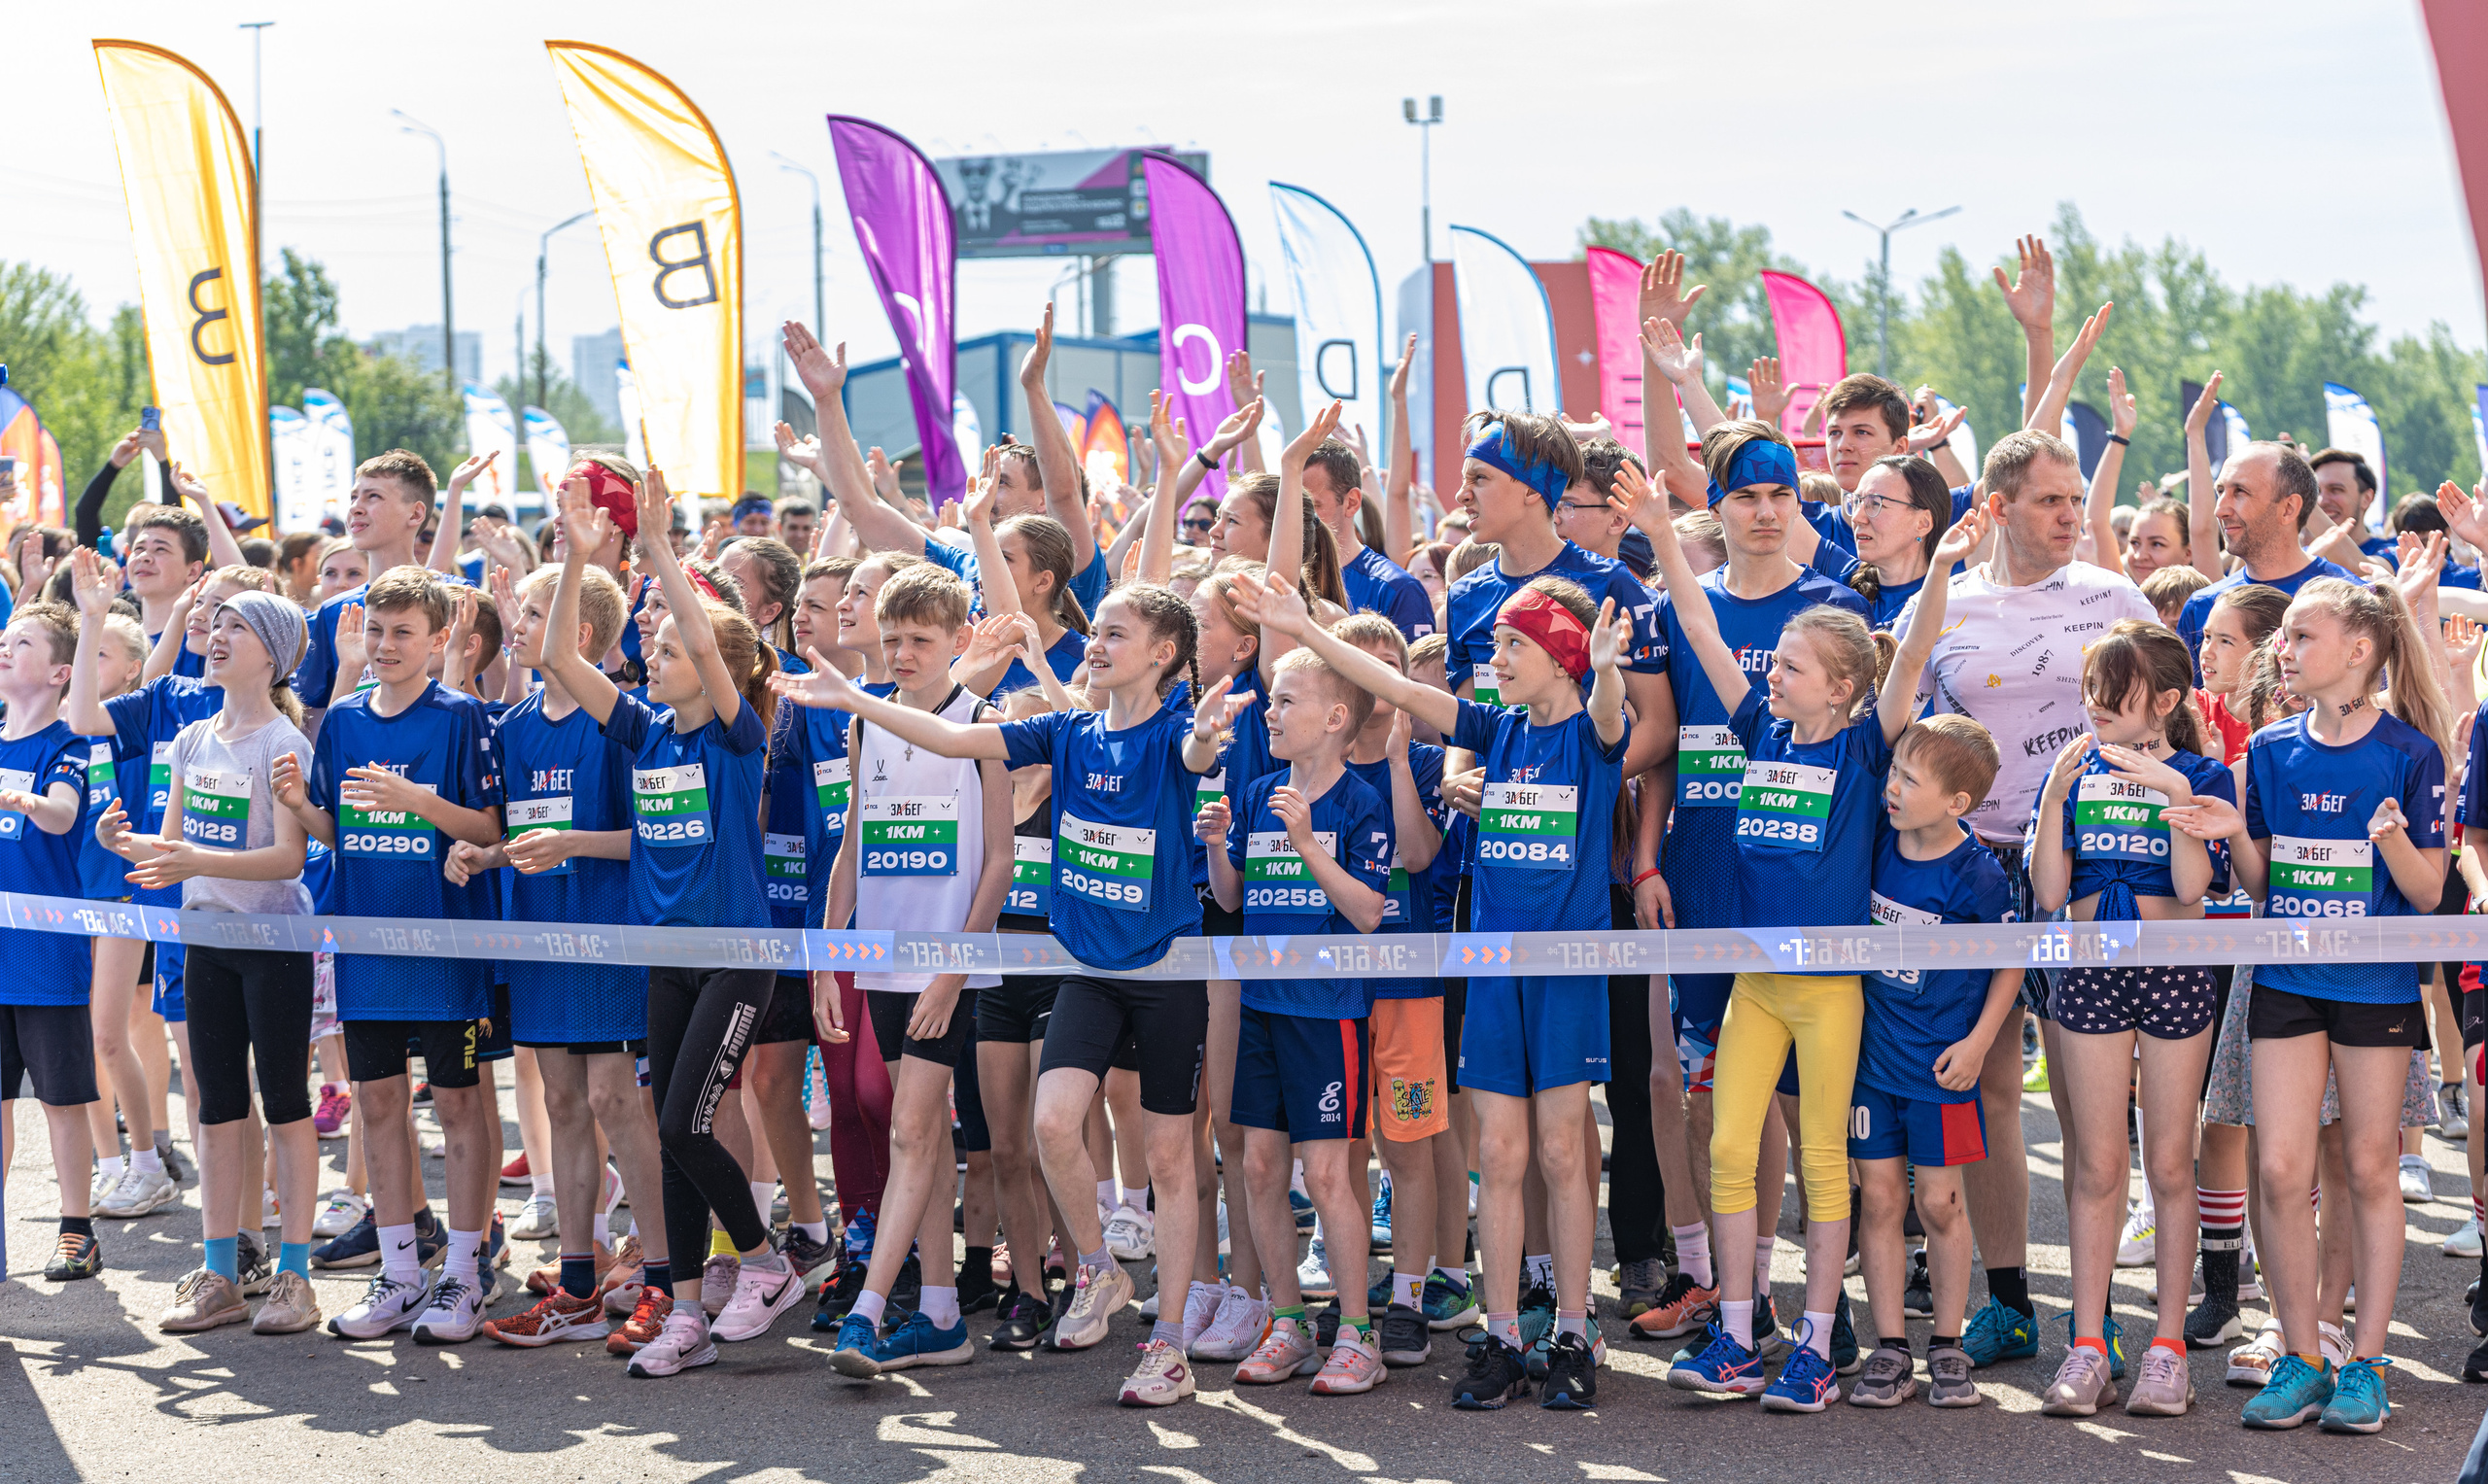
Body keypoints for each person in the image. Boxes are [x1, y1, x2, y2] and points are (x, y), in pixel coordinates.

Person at [773, 578, 1218, 1409]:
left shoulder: (1169, 733)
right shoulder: (1066, 730)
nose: (1097, 641)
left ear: (1162, 655)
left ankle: (1168, 1347)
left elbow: (1194, 756)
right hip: (1087, 967)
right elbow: (949, 737)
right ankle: (1097, 1267)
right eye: (1099, 629)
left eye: (1116, 633)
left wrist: (1203, 740)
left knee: (1167, 1159)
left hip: (1167, 972)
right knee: (1051, 1123)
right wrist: (853, 701)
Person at [1239, 554, 1636, 1412]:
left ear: (1561, 653)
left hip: (1563, 972)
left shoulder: (1591, 725)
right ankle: (1500, 1333)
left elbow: (1608, 716)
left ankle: (1573, 1326)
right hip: (1490, 969)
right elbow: (1405, 693)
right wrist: (1308, 632)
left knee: (1563, 1149)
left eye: (1510, 642)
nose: (1493, 656)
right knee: (1497, 1153)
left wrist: (1605, 670)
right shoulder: (1497, 728)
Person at [1632, 457, 1975, 1414]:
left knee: (1825, 1164)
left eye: (1785, 665)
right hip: (1756, 987)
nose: (1765, 673)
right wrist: (1662, 530)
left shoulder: (1867, 744)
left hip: (1832, 994)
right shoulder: (1760, 731)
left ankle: (1818, 1348)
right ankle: (1740, 1333)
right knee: (1731, 1149)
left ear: (1836, 689)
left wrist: (1942, 566)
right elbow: (1698, 624)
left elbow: (1908, 658)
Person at [1896, 429, 2157, 1368]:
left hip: (2093, 866)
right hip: (1974, 867)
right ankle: (2009, 1299)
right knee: (1994, 1088)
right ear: (1998, 507)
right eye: (2050, 498)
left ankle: (2104, 1313)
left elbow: (2176, 720)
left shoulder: (2114, 598)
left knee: (2098, 1102)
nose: (2071, 513)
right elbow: (1905, 728)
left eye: (2076, 496)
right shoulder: (1949, 604)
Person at [2171, 576, 2453, 1434]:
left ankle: (2365, 1364)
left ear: (2360, 649)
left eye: (2301, 635)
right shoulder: (2269, 747)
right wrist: (2231, 834)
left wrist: (2394, 840)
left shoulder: (2410, 751)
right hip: (2287, 983)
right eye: (2284, 636)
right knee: (2283, 1171)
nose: (2283, 649)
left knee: (2370, 1168)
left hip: (2374, 986)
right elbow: (2264, 884)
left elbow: (2431, 891)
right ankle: (2300, 1355)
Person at [535, 467, 796, 1377]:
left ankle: (764, 1260)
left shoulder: (735, 735)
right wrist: (575, 557)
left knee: (685, 1122)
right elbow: (562, 662)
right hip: (665, 956)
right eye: (656, 649)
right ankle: (685, 1309)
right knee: (670, 1124)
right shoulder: (647, 733)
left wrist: (655, 548)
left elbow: (701, 636)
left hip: (733, 953)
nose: (658, 655)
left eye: (674, 651)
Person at [277, 567, 506, 1343]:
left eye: (403, 632)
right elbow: (343, 830)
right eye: (376, 630)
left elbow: (488, 829)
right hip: (367, 944)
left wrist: (419, 802)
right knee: (378, 1103)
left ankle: (466, 1274)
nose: (384, 645)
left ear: (440, 639)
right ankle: (401, 1271)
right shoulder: (340, 719)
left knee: (456, 1105)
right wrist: (300, 808)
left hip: (444, 945)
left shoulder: (461, 715)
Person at [466, 557, 674, 1356]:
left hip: (609, 939)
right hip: (540, 938)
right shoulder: (513, 724)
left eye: (525, 615)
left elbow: (656, 838)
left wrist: (576, 841)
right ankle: (580, 1285)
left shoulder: (625, 719)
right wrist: (486, 857)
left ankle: (661, 1278)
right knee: (559, 1106)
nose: (511, 627)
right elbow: (522, 830)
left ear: (576, 635)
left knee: (619, 1105)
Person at [2026, 622, 2235, 1418]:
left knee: (2171, 1162)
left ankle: (2168, 1347)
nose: (2096, 706)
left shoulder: (2202, 772)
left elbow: (2193, 888)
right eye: (2090, 690)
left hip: (2175, 969)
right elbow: (2049, 890)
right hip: (2088, 971)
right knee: (2097, 1164)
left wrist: (2176, 795)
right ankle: (2086, 1345)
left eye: (2114, 692)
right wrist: (2051, 798)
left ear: (2168, 700)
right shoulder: (2073, 770)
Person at [101, 588, 323, 1335]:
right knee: (218, 1108)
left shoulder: (284, 741)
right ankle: (221, 1273)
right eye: (217, 623)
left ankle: (295, 1274)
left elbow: (290, 858)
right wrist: (122, 844)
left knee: (287, 1104)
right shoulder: (193, 738)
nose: (218, 634)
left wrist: (196, 856)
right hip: (206, 942)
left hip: (274, 944)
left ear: (275, 655)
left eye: (239, 627)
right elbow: (172, 848)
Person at [821, 564, 1014, 1375]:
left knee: (909, 1130)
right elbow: (855, 847)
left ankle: (870, 1309)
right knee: (921, 1138)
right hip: (881, 964)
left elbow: (999, 862)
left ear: (960, 641)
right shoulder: (870, 721)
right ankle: (939, 1312)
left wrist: (954, 973)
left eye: (919, 641)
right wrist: (828, 957)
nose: (900, 653)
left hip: (947, 970)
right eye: (891, 638)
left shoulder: (986, 725)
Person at [1200, 646, 1395, 1395]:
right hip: (1260, 1006)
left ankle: (1355, 1332)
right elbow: (1228, 899)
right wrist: (1219, 846)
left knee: (1325, 1174)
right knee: (1255, 1164)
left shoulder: (1358, 801)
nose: (1271, 714)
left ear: (1336, 717)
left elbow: (1371, 912)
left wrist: (1310, 841)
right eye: (1273, 701)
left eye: (1286, 702)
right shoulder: (1254, 794)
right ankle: (1286, 1320)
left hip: (1327, 1012)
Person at [1845, 713, 2021, 1409]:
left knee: (1939, 1201)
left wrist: (1978, 1043)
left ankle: (1947, 1344)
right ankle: (1889, 1347)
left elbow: (2010, 962)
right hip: (1874, 1062)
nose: (1892, 787)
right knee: (1881, 1198)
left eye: (1909, 779)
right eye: (1893, 771)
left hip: (1942, 1066)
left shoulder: (1976, 874)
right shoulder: (1876, 844)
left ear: (1957, 803)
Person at [0, 602, 104, 1282]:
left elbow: (65, 815)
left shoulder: (66, 745)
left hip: (45, 957)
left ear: (61, 670)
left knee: (63, 1100)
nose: (5, 648)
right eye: (5, 638)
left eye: (23, 641)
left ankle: (77, 1227)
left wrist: (30, 803)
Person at [2174, 397, 2356, 671]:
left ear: (2289, 508)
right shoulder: (2203, 607)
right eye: (2220, 492)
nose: (2220, 509)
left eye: (2240, 493)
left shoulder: (2349, 599)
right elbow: (2189, 709)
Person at [1302, 436, 1434, 641]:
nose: (1297, 514)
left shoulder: (1397, 589)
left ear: (1351, 503)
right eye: (1290, 502)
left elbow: (1416, 673)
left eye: (1312, 504)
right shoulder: (1277, 577)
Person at [2310, 448, 2394, 567]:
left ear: (2366, 498)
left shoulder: (2393, 550)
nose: (2321, 501)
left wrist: (2303, 501)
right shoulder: (2306, 554)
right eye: (2316, 491)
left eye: (2335, 490)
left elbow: (2360, 568)